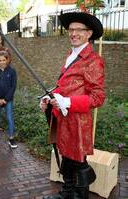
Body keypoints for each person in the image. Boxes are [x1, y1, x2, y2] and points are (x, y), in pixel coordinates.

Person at [40, 12, 105, 199]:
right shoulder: (71, 55)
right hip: (64, 119)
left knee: (77, 161)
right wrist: (50, 97)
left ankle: (78, 195)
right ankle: (66, 193)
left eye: (79, 30)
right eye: (71, 29)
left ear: (89, 33)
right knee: (67, 157)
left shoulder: (93, 61)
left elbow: (98, 97)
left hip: (78, 121)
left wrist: (67, 101)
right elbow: (65, 85)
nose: (73, 33)